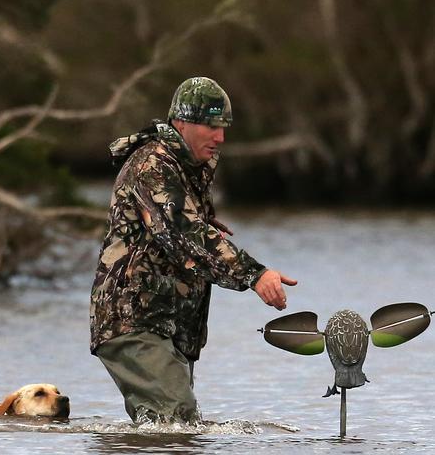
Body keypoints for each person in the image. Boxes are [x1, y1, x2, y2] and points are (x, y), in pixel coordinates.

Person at [89, 76, 297, 424]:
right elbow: (184, 233)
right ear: (181, 123)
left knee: (173, 429)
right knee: (175, 418)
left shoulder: (191, 167)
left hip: (169, 325)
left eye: (224, 127)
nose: (220, 137)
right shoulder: (152, 164)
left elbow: (182, 232)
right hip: (133, 319)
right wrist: (254, 275)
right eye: (211, 126)